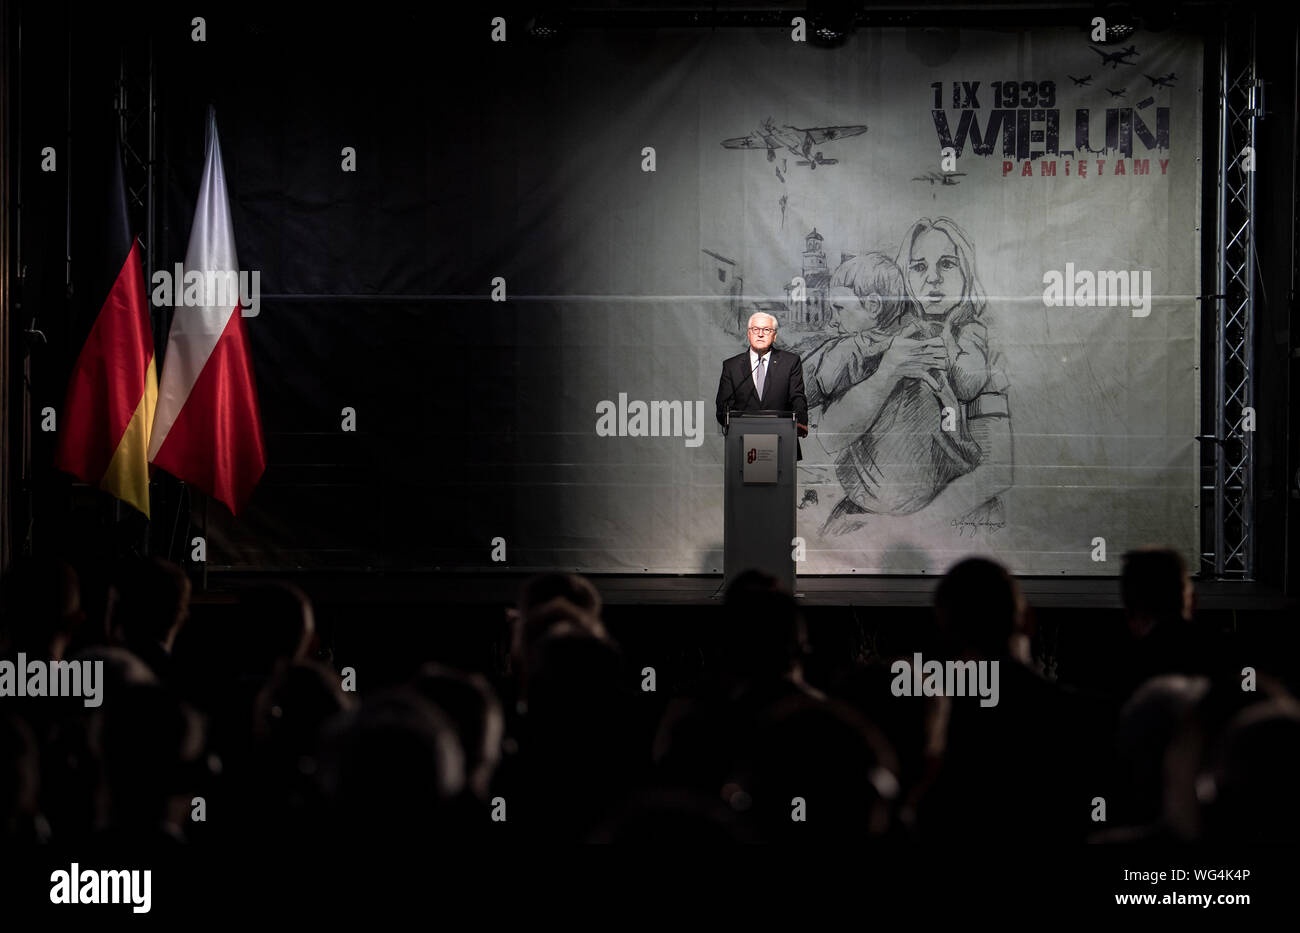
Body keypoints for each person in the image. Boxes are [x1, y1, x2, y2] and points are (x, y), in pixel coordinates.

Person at [714, 311, 809, 460]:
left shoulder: (790, 362)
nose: (760, 334)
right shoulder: (731, 366)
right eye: (755, 329)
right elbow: (723, 405)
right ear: (748, 333)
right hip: (742, 444)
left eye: (766, 330)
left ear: (774, 335)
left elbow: (797, 396)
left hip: (782, 441)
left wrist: (801, 421)